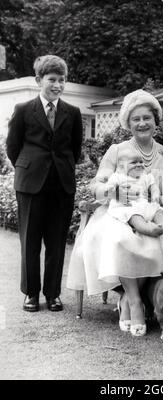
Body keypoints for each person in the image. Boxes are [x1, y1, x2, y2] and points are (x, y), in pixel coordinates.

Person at [66, 89, 163, 337]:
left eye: (146, 118)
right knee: (122, 239)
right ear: (128, 123)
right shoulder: (116, 151)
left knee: (159, 240)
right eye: (136, 119)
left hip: (153, 214)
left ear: (155, 121)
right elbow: (96, 186)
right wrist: (114, 193)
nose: (142, 123)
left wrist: (159, 198)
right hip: (116, 215)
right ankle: (133, 301)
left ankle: (149, 299)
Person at [6, 55, 83, 312]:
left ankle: (53, 294)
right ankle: (30, 293)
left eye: (62, 80)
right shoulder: (23, 110)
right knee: (29, 241)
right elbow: (13, 148)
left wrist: (60, 169)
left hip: (61, 185)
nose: (58, 85)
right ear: (39, 80)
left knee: (57, 240)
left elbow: (75, 148)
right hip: (30, 185)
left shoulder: (73, 113)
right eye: (52, 79)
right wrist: (28, 168)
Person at [104, 147, 163, 237]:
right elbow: (107, 191)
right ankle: (148, 229)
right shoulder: (117, 177)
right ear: (122, 166)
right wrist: (116, 193)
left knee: (158, 211)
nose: (139, 164)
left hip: (142, 205)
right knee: (135, 216)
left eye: (141, 162)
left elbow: (153, 187)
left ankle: (160, 226)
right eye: (134, 162)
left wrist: (155, 194)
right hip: (125, 207)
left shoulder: (145, 177)